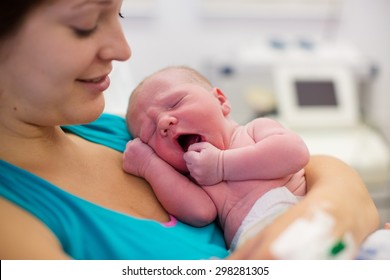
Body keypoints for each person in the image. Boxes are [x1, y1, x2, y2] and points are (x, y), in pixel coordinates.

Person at [0, 0, 380, 260]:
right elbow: (199, 210)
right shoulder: (17, 225)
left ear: (221, 99)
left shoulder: (109, 130)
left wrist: (333, 207)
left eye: (121, 13)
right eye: (84, 25)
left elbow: (304, 159)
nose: (123, 48)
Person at [124, 66, 311, 251]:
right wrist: (149, 165)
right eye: (150, 132)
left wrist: (222, 165)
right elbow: (200, 213)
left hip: (306, 222)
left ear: (220, 100)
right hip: (254, 246)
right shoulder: (197, 179)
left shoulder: (253, 130)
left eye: (175, 104)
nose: (164, 122)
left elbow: (295, 152)